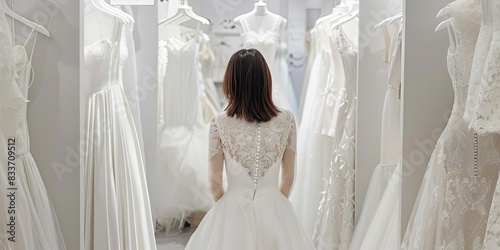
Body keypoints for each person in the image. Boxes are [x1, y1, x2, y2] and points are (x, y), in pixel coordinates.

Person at [184, 49, 315, 250]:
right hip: (275, 204)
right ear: (266, 80)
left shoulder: (219, 122)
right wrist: (275, 206)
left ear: (231, 82)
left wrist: (227, 209)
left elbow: (215, 182)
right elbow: (289, 178)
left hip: (232, 206)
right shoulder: (287, 120)